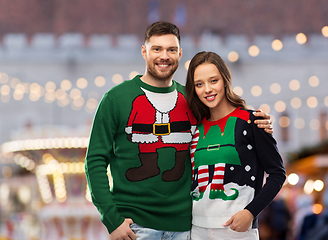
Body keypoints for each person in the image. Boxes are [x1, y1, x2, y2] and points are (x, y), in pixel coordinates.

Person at [85, 22, 273, 240]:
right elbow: (95, 161)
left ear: (180, 54)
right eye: (157, 49)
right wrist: (111, 219)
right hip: (135, 227)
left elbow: (223, 119)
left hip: (186, 228)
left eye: (171, 50)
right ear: (144, 51)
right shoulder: (116, 99)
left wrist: (257, 123)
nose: (164, 56)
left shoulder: (193, 100)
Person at [185, 51, 286, 240]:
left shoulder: (252, 121)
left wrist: (250, 212)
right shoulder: (194, 128)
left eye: (213, 80)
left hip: (237, 231)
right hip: (196, 230)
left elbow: (277, 174)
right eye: (199, 84)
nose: (207, 89)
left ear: (225, 80)